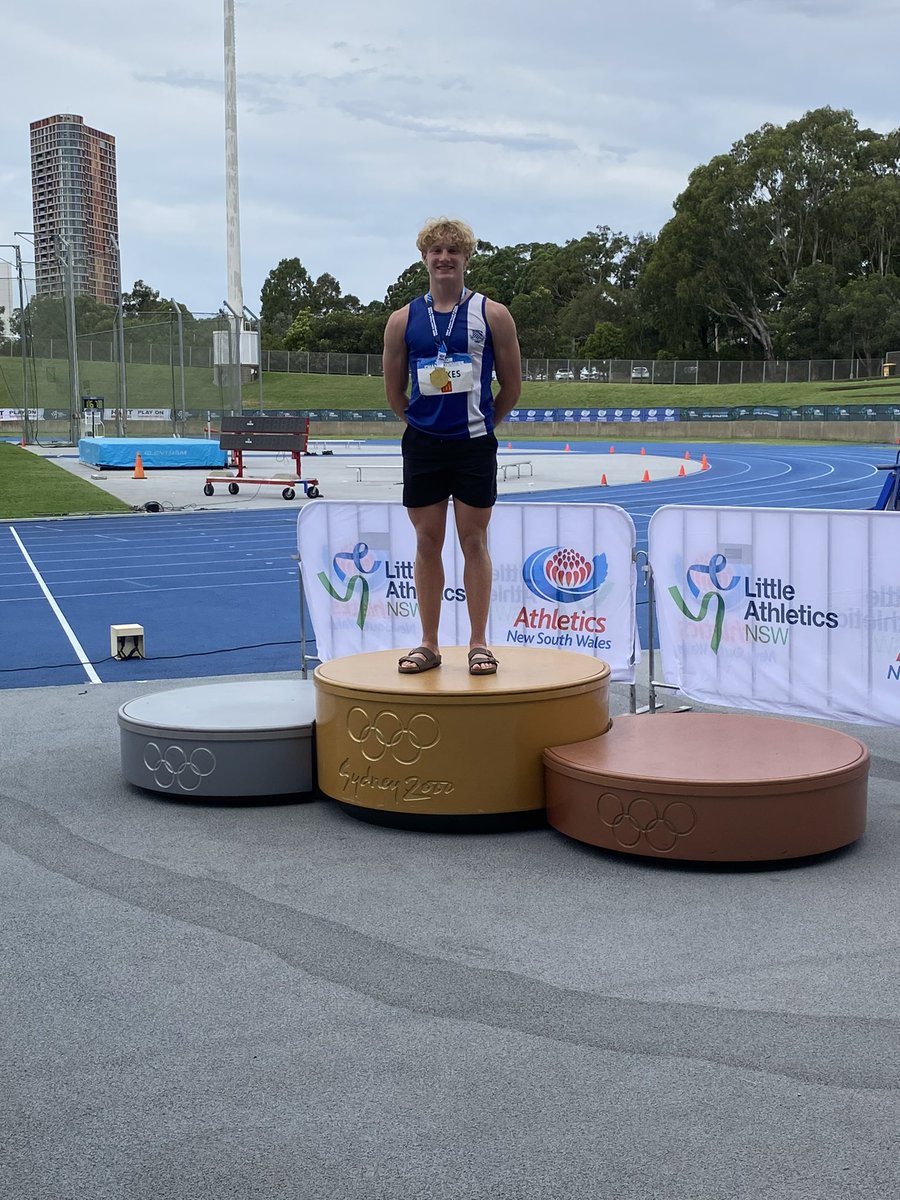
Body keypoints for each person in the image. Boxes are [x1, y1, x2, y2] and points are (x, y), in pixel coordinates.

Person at [383, 217, 522, 676]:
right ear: (424, 258)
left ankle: (478, 643)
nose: (444, 258)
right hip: (423, 446)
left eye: (453, 251)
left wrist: (483, 424)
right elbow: (394, 393)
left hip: (473, 445)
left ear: (466, 258)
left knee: (474, 541)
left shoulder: (493, 314)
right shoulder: (402, 320)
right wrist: (423, 424)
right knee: (427, 542)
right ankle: (429, 643)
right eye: (436, 251)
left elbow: (512, 387)